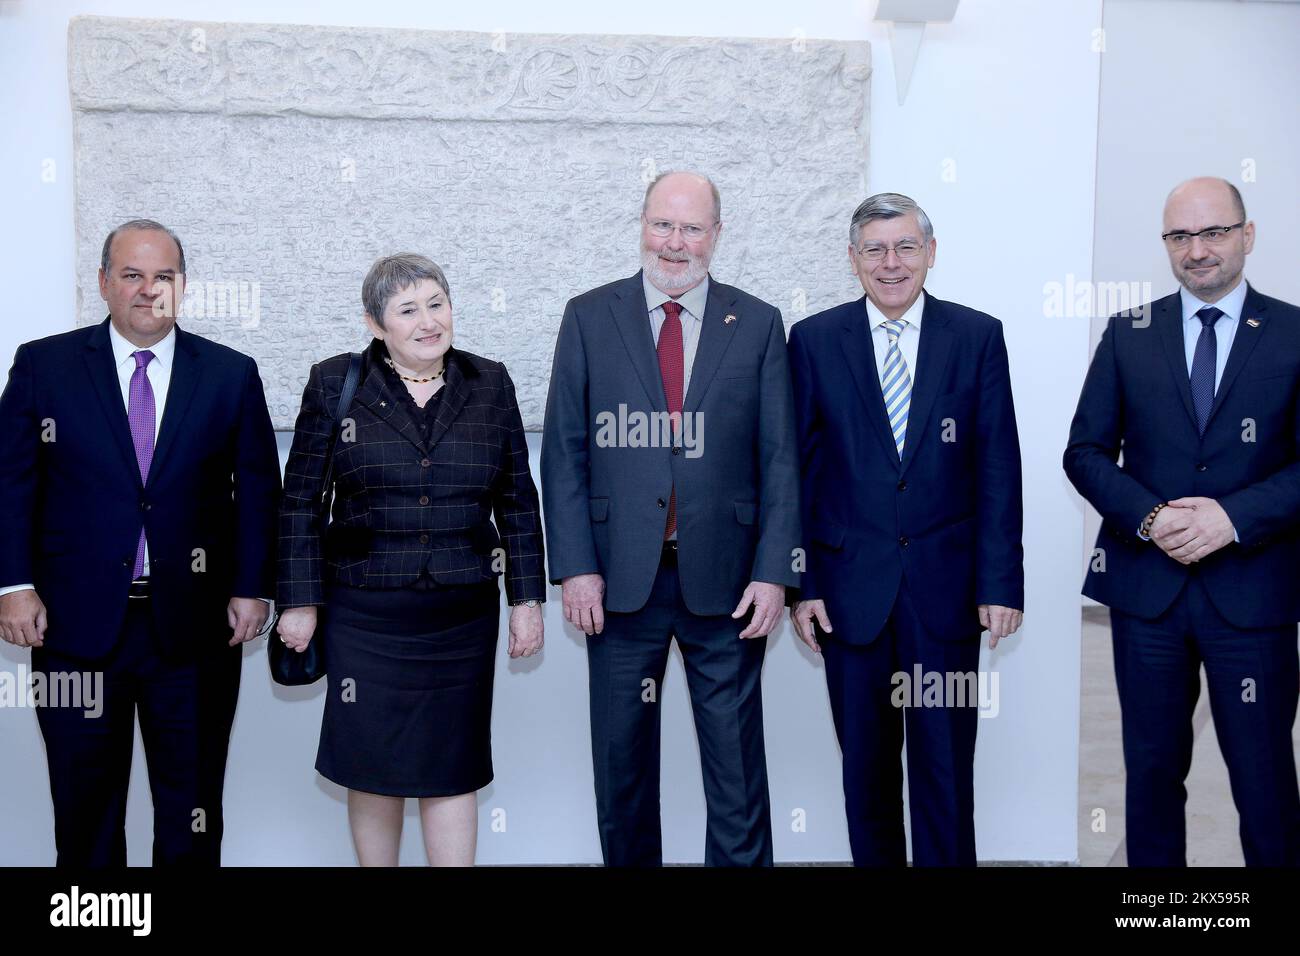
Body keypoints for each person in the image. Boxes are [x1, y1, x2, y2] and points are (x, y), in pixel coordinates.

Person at [0, 219, 281, 865]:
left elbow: (260, 492)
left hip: (194, 630)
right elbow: (10, 483)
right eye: (132, 275)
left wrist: (251, 587)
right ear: (103, 283)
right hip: (72, 631)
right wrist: (13, 586)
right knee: (85, 808)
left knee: (192, 810)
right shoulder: (46, 365)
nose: (148, 290)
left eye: (164, 277)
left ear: (183, 286)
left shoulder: (231, 374)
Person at [541, 170, 800, 866]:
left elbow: (781, 460)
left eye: (691, 228)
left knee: (737, 775)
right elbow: (564, 453)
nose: (675, 242)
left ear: (717, 236)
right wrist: (574, 568)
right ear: (642, 225)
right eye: (663, 224)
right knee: (622, 772)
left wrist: (776, 573)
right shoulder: (590, 316)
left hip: (730, 585)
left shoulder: (759, 323)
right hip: (620, 583)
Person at [277, 253, 545, 866]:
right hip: (365, 612)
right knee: (371, 763)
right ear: (376, 324)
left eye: (436, 304)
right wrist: (298, 601)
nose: (428, 322)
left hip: (462, 614)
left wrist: (527, 600)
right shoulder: (334, 382)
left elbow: (517, 500)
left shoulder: (490, 382)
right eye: (407, 311)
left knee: (453, 764)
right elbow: (300, 502)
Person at [1064, 176, 1300, 867]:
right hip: (1148, 598)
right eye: (1180, 237)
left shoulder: (1293, 334)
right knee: (1152, 777)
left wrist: (1232, 518)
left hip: (1253, 596)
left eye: (1214, 232)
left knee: (1263, 783)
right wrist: (1150, 516)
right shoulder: (1130, 332)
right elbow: (1084, 452)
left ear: (1247, 235)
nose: (1198, 250)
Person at [788, 192, 1024, 866]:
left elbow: (997, 466)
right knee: (865, 773)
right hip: (847, 596)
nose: (891, 263)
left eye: (905, 247)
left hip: (945, 596)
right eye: (875, 250)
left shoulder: (976, 336)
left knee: (946, 773)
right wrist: (802, 582)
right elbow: (797, 473)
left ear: (930, 253)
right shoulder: (814, 341)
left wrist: (1001, 582)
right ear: (854, 260)